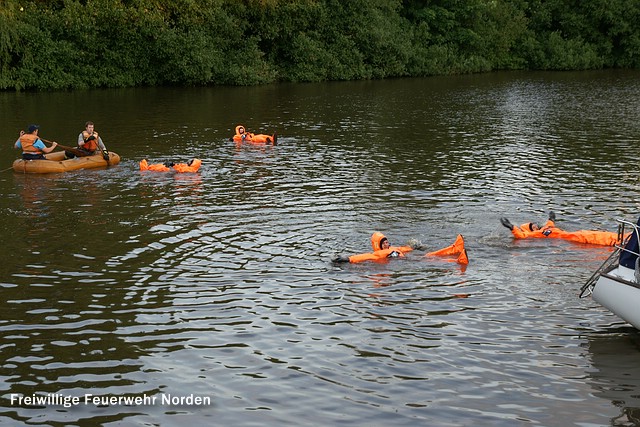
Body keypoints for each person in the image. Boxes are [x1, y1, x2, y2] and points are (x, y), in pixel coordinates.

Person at [500, 211, 627, 246]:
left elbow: (551, 222)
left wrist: (551, 216)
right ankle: (619, 242)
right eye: (531, 226)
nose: (534, 225)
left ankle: (625, 238)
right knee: (596, 239)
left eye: (533, 224)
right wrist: (511, 227)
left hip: (574, 234)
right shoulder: (535, 235)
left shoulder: (546, 227)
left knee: (596, 234)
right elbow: (521, 236)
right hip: (571, 239)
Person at [333, 232, 468, 265]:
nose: (387, 243)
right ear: (378, 245)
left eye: (387, 241)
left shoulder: (394, 248)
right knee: (430, 259)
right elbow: (365, 257)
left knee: (430, 255)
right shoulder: (378, 255)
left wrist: (414, 246)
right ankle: (458, 261)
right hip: (409, 263)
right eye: (383, 242)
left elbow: (405, 249)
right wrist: (348, 258)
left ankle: (455, 248)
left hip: (409, 258)